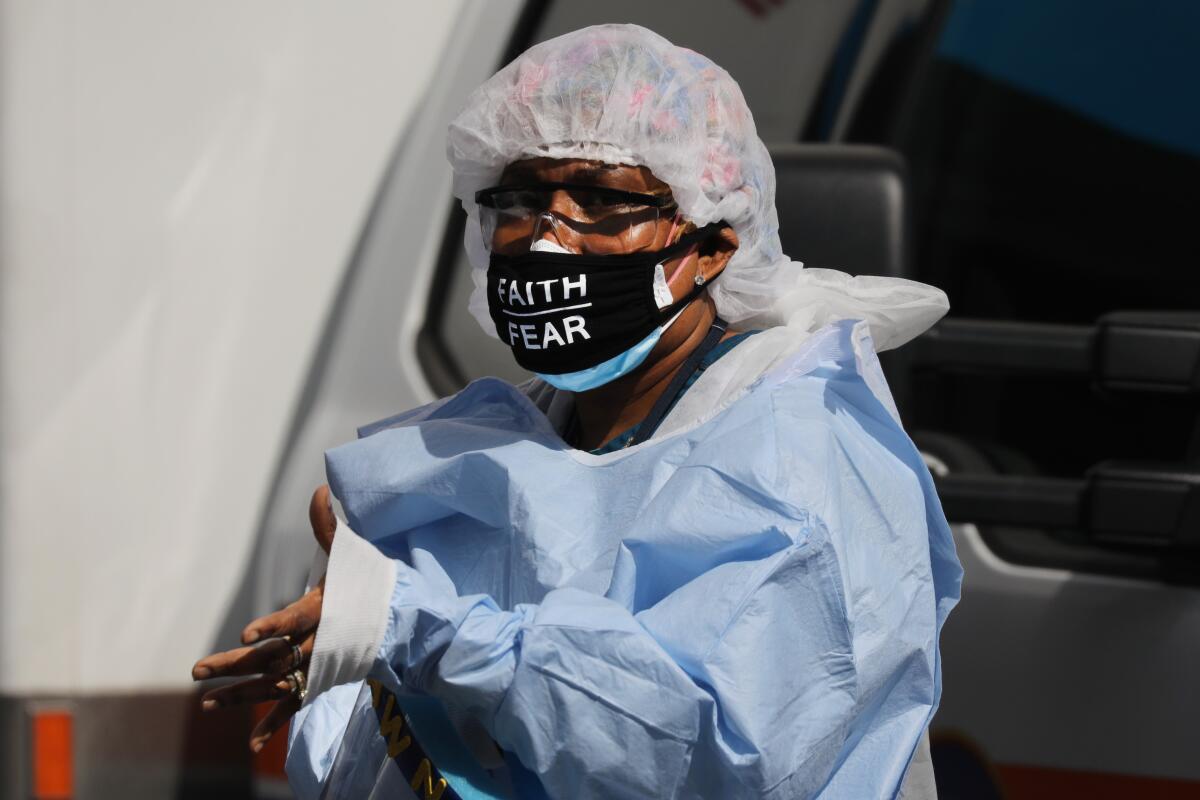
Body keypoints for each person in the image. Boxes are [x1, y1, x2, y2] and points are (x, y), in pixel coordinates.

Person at [193, 23, 960, 799]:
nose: (547, 240)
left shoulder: (801, 452)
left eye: (599, 200)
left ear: (711, 243)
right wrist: (362, 672)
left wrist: (410, 631)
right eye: (522, 199)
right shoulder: (487, 452)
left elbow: (705, 749)